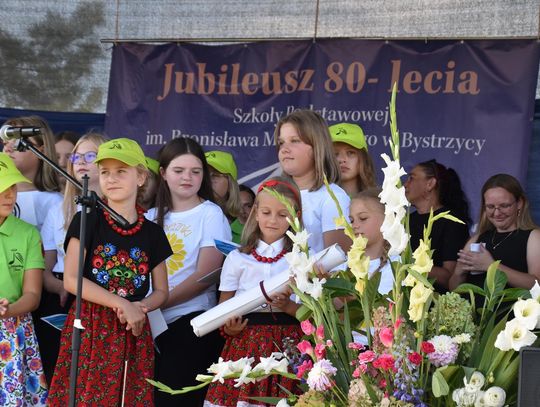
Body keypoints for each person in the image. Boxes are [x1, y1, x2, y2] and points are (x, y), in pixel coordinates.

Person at [48, 138, 172, 405]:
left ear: (141, 177)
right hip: (91, 325)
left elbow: (162, 291)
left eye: (121, 171)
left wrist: (139, 307)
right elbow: (71, 279)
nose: (111, 178)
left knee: (128, 396)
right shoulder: (86, 219)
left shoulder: (153, 233)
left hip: (133, 326)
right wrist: (121, 304)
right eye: (105, 172)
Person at [204, 176, 304, 407]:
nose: (273, 220)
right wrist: (229, 328)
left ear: (296, 216)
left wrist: (288, 306)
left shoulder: (302, 258)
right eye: (266, 212)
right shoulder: (237, 258)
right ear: (255, 213)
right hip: (246, 343)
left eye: (283, 214)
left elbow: (312, 314)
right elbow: (223, 309)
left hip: (289, 345)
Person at [149, 138, 232, 406]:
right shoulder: (149, 216)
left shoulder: (210, 214)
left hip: (191, 322)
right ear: (163, 173)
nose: (187, 177)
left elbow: (206, 274)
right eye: (179, 170)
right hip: (149, 324)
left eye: (195, 171)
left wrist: (156, 303)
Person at [38, 133, 107, 383]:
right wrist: (60, 286)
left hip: (101, 295)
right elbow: (45, 268)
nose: (81, 162)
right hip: (61, 294)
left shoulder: (116, 211)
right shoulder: (59, 210)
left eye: (90, 156)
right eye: (77, 157)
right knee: (57, 367)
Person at [0, 153, 48, 405]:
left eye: (12, 187)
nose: (9, 195)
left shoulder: (28, 234)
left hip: (13, 327)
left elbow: (33, 295)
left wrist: (7, 311)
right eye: (1, 189)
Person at [276, 109, 351, 253]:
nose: (284, 149)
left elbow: (336, 258)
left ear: (317, 145)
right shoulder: (273, 193)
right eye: (281, 142)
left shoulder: (333, 197)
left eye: (294, 141)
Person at [449, 174, 540, 291]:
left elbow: (537, 285)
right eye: (490, 207)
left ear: (519, 203)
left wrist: (492, 266)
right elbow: (453, 290)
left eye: (504, 206)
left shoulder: (533, 237)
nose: (497, 213)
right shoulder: (476, 239)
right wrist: (459, 273)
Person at [404, 159, 470, 291]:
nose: (405, 185)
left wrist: (409, 265)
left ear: (430, 184)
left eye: (412, 178)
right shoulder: (406, 221)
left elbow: (450, 278)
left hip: (437, 300)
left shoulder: (452, 222)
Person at [1, 116, 62, 231]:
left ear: (42, 151)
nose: (8, 148)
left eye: (18, 142)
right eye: (5, 143)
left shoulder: (55, 202)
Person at [349, 188, 395, 295]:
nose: (354, 225)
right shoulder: (345, 266)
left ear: (387, 220)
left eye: (363, 218)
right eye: (351, 220)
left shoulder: (396, 266)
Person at [329, 122, 377, 196]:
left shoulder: (378, 200)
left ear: (363, 159)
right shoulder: (314, 199)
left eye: (350, 153)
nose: (342, 159)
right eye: (335, 154)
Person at [206, 150, 241, 223]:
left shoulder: (242, 222)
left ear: (230, 184)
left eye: (214, 175)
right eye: (203, 174)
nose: (207, 180)